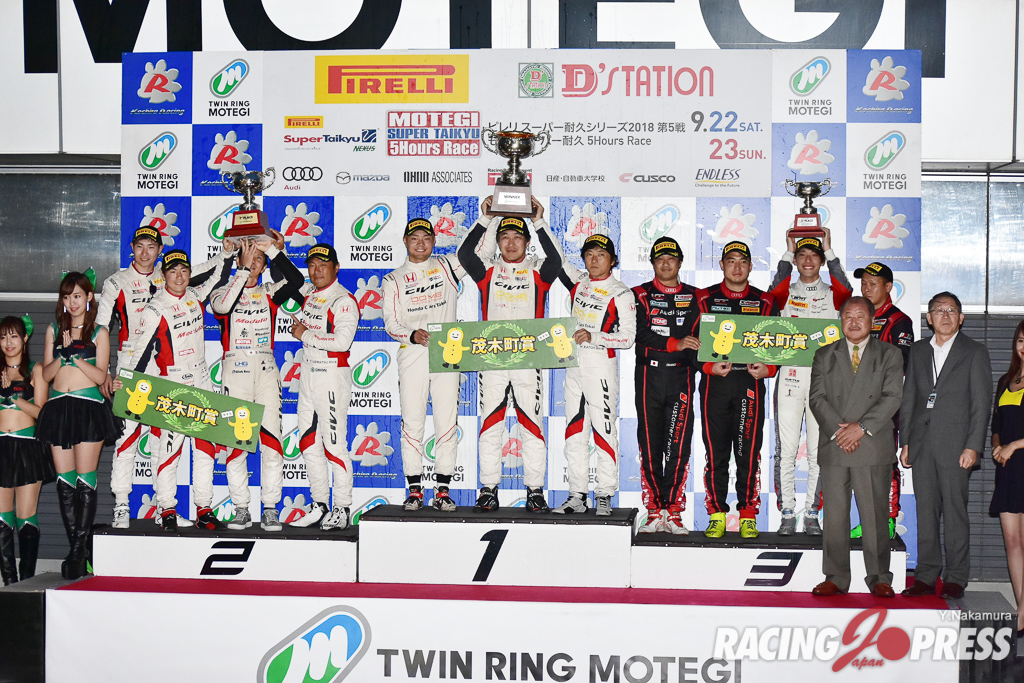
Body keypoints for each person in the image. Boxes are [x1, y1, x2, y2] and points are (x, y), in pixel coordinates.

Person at [96, 225, 234, 528]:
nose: (145, 253)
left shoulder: (169, 276)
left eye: (152, 247)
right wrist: (104, 372)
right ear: (132, 248)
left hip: (169, 368)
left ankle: (165, 508)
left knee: (165, 440)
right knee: (128, 437)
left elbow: (205, 272)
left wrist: (225, 253)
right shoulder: (116, 282)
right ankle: (122, 505)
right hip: (133, 365)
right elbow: (101, 329)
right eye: (140, 246)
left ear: (160, 250)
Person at [457, 197, 563, 513]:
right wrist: (486, 219)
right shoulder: (488, 271)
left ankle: (535, 491)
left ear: (527, 242)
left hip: (528, 362)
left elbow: (557, 259)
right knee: (491, 426)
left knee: (532, 426)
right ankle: (488, 489)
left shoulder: (538, 272)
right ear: (498, 241)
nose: (512, 242)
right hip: (492, 360)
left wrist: (539, 220)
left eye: (518, 237)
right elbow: (465, 255)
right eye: (505, 237)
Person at [808, 296, 904, 597]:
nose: (853, 321)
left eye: (860, 316)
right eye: (848, 316)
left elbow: (892, 396)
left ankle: (879, 577)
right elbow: (817, 398)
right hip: (836, 443)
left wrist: (860, 429)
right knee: (835, 517)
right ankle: (835, 576)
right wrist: (841, 433)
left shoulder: (889, 354)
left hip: (871, 444)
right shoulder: (824, 354)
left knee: (874, 516)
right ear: (840, 320)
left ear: (872, 321)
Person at [900, 292, 992, 600]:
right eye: (939, 310)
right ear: (929, 318)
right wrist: (906, 441)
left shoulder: (974, 351)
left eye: (952, 310)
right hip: (922, 444)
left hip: (957, 446)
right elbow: (910, 398)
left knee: (955, 514)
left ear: (961, 318)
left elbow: (981, 404)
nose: (945, 315)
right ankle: (926, 576)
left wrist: (973, 446)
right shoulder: (918, 350)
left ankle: (955, 578)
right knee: (926, 513)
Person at [209, 232, 303, 531]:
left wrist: (273, 252)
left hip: (265, 370)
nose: (252, 264)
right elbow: (222, 309)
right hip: (235, 371)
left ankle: (271, 508)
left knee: (272, 441)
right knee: (236, 443)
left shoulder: (270, 292)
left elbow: (297, 281)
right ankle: (240, 508)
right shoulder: (221, 292)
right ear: (238, 261)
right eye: (247, 258)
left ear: (263, 267)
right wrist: (240, 270)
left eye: (257, 260)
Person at [767, 230, 852, 536]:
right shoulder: (785, 292)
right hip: (790, 377)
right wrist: (787, 252)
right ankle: (788, 512)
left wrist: (829, 249)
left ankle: (813, 513)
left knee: (820, 451)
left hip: (824, 382)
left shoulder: (834, 293)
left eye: (813, 255)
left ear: (821, 260)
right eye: (802, 254)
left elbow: (847, 288)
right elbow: (771, 293)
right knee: (787, 450)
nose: (807, 260)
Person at [36, 271, 120, 579]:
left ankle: (75, 554)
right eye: (67, 296)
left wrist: (77, 356)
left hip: (88, 409)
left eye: (77, 295)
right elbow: (45, 375)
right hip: (59, 409)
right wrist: (63, 356)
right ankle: (79, 551)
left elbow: (101, 376)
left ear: (88, 297)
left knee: (85, 481)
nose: (72, 302)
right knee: (64, 483)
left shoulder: (99, 332)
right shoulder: (53, 330)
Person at [695, 241, 779, 539]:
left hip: (749, 386)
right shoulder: (703, 299)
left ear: (751, 266)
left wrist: (770, 369)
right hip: (714, 387)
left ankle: (748, 515)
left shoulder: (765, 302)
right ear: (721, 264)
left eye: (743, 261)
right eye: (731, 260)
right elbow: (689, 344)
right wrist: (707, 367)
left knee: (748, 454)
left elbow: (781, 345)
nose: (737, 266)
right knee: (716, 454)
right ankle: (717, 513)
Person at [382, 218, 466, 512]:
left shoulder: (447, 265)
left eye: (426, 238)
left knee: (447, 421)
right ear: (405, 241)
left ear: (434, 241)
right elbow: (391, 323)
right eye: (414, 237)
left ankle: (443, 490)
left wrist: (487, 218)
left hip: (447, 351)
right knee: (412, 422)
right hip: (413, 352)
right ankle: (415, 491)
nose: (420, 243)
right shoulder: (393, 279)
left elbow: (477, 251)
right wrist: (411, 334)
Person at [551, 233, 636, 516]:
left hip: (601, 366)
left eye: (601, 254)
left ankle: (604, 494)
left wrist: (594, 336)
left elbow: (628, 338)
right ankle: (577, 494)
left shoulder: (621, 293)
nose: (595, 260)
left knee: (604, 431)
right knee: (575, 432)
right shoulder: (579, 282)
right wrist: (538, 220)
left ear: (612, 260)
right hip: (573, 365)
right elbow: (558, 258)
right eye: (589, 254)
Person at [632, 237, 702, 534]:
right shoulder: (639, 294)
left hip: (681, 377)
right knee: (650, 445)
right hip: (648, 375)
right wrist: (675, 343)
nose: (665, 263)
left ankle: (672, 511)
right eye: (660, 259)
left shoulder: (697, 297)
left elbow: (705, 338)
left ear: (680, 262)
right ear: (652, 263)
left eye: (671, 258)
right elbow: (638, 333)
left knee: (678, 446)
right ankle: (652, 511)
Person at [287, 243, 360, 530]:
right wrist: (275, 252)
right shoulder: (309, 294)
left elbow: (342, 342)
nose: (317, 270)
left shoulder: (343, 300)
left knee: (334, 445)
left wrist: (305, 334)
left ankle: (342, 508)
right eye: (312, 265)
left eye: (323, 265)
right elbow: (288, 278)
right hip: (308, 374)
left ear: (336, 267)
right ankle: (319, 505)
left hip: (331, 375)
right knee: (307, 443)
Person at [854, 261, 915, 539]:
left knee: (885, 462)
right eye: (863, 283)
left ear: (888, 287)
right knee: (859, 465)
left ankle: (887, 520)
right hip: (855, 403)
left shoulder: (898, 320)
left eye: (873, 283)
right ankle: (867, 521)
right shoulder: (856, 317)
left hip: (884, 407)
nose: (866, 288)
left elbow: (902, 361)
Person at [0, 316, 52, 585]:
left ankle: (27, 583)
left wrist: (13, 397)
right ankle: (9, 584)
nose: (8, 342)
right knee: (1, 518)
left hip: (27, 448)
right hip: (1, 447)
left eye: (13, 336)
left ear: (25, 338)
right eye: (3, 337)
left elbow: (42, 413)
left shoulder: (36, 370)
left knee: (26, 516)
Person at [990, 320, 1024, 635]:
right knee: (1012, 541)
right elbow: (996, 423)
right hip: (1008, 468)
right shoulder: (1005, 380)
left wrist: (1015, 445)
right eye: (1021, 340)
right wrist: (998, 445)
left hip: (1021, 457)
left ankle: (1023, 611)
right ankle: (1021, 605)